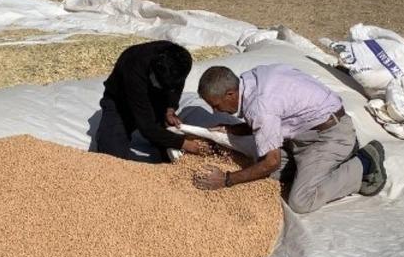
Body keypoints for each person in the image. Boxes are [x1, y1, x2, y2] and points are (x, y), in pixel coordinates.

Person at [192, 64, 386, 213]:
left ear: (230, 93)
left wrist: (227, 179)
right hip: (306, 132)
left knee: (301, 201)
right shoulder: (251, 79)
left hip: (329, 136)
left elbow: (272, 162)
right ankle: (323, 164)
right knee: (267, 172)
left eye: (216, 105)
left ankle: (364, 162)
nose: (215, 111)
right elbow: (272, 118)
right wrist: (233, 129)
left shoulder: (259, 106)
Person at [94, 40, 210, 160]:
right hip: (121, 103)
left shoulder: (181, 61)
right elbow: (147, 127)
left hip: (156, 100)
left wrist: (170, 108)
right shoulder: (134, 65)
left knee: (170, 152)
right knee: (111, 154)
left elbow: (176, 87)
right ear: (152, 70)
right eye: (160, 83)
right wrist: (185, 144)